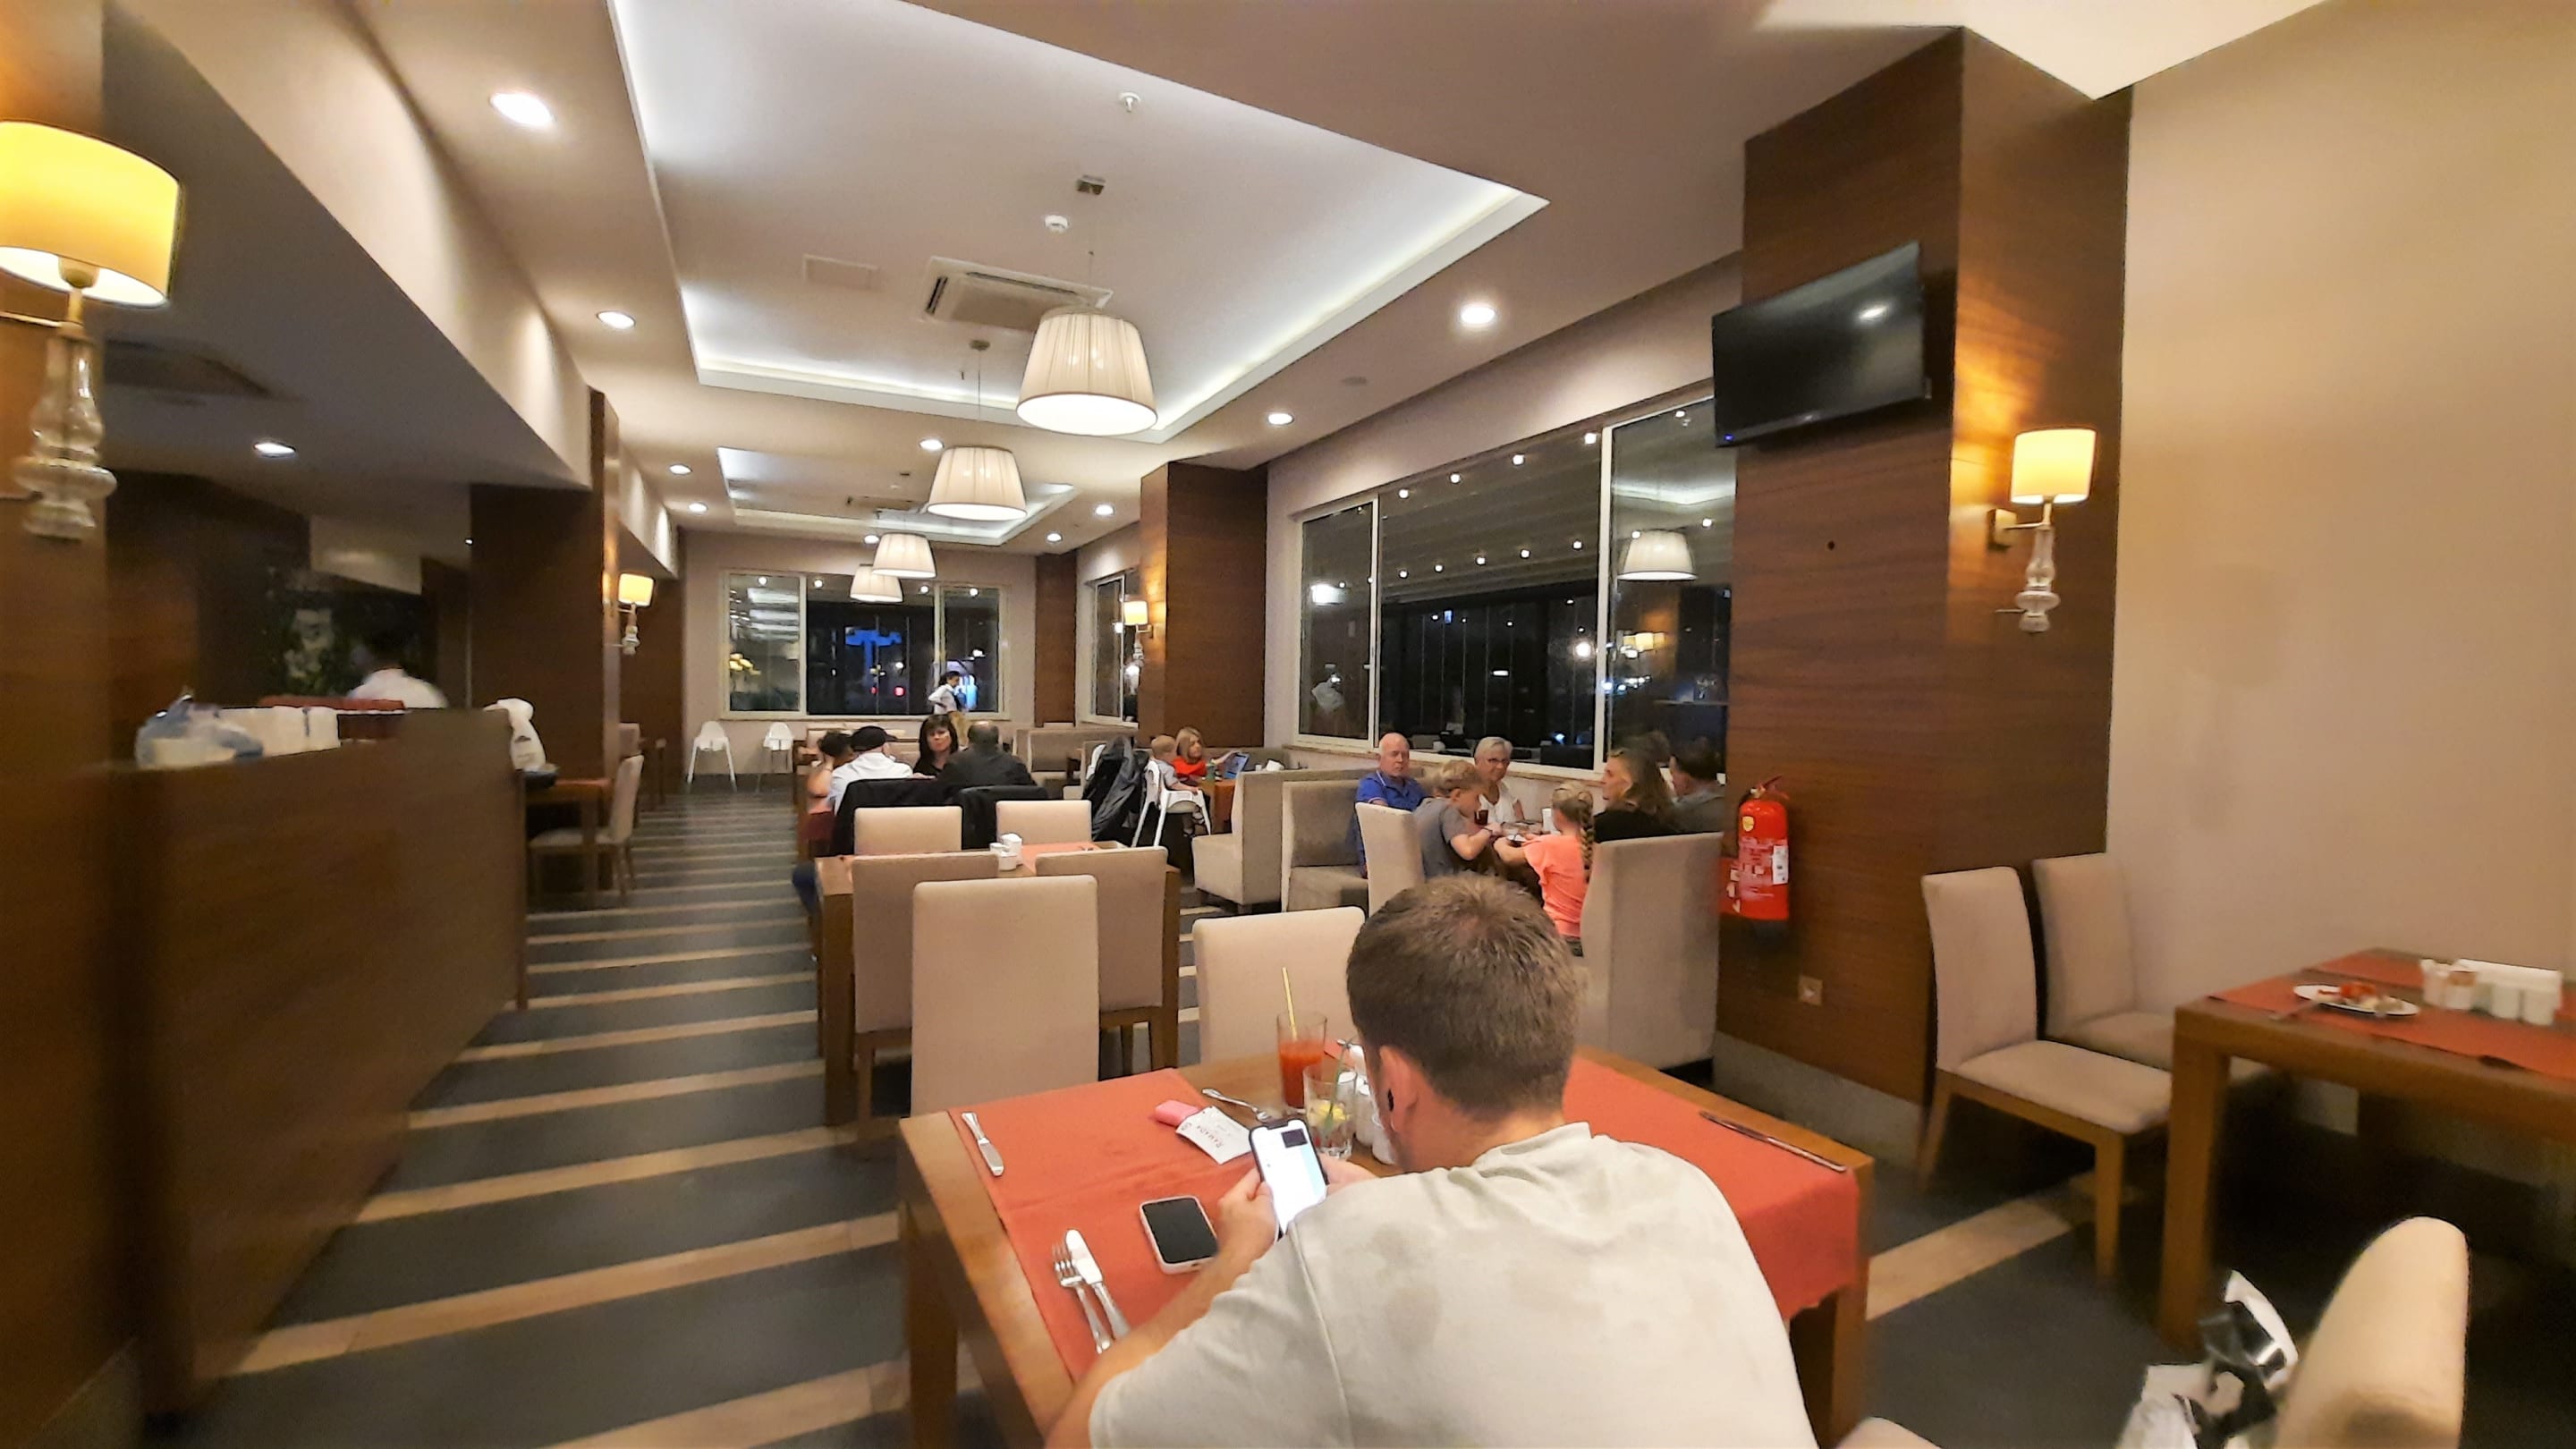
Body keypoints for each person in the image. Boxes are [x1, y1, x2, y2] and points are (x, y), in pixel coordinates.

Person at [1058, 876, 1816, 1448]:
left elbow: (1082, 1435)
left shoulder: (1351, 1259)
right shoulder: (1684, 1187)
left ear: (1394, 1084)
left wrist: (1232, 1264)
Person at [1496, 784, 1596, 948]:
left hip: (1559, 932)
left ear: (1558, 814)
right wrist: (1536, 842)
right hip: (1589, 934)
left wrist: (1501, 841)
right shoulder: (1595, 848)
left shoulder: (1548, 845)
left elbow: (1509, 856)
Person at [1349, 732, 1425, 872]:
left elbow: (1428, 813)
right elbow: (1385, 819)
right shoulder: (1371, 784)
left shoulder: (1413, 785)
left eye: (1405, 755)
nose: (1400, 760)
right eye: (1394, 754)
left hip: (1411, 850)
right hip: (1379, 857)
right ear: (1380, 758)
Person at [1412, 758, 1497, 880]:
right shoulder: (1449, 810)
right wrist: (1488, 831)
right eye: (1476, 798)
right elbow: (1468, 851)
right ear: (1457, 795)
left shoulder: (1424, 806)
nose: (1479, 805)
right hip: (1446, 883)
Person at [1596, 745, 1680, 843]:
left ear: (1630, 784)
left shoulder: (1602, 827)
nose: (1602, 780)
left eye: (1610, 775)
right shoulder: (1673, 825)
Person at [826, 725, 911, 813]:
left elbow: (834, 808)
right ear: (884, 747)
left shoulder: (839, 774)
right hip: (898, 821)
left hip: (851, 821)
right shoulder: (903, 770)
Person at [349, 632, 446, 708]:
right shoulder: (429, 692)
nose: (353, 654)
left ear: (369, 654)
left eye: (356, 648)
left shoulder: (362, 696)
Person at [938, 718, 1036, 792]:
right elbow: (1034, 794)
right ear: (998, 741)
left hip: (967, 813)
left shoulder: (955, 763)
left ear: (969, 741)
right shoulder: (1015, 764)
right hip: (1007, 813)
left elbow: (939, 798)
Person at [1470, 735, 1533, 833]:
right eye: (1493, 760)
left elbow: (1522, 827)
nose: (1500, 766)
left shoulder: (1508, 791)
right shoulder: (1466, 793)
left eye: (1505, 761)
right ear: (1477, 761)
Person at [1670, 740, 1729, 835]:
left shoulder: (1681, 813)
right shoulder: (1733, 800)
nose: (1672, 781)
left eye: (1673, 774)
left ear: (1685, 778)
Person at [914, 713, 962, 777]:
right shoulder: (922, 765)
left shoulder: (964, 760)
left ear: (952, 735)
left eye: (941, 733)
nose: (936, 737)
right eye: (932, 734)